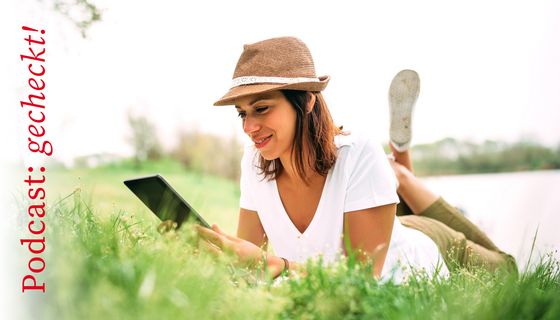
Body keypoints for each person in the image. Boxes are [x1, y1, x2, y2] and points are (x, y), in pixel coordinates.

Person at [196, 37, 517, 280]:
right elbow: (249, 272)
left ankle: (399, 163)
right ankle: (397, 171)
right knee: (385, 182)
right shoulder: (253, 163)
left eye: (262, 108)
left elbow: (360, 282)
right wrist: (224, 257)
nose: (249, 127)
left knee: (507, 268)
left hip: (424, 242)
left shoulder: (358, 152)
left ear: (306, 101)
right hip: (373, 221)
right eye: (242, 113)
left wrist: (275, 265)